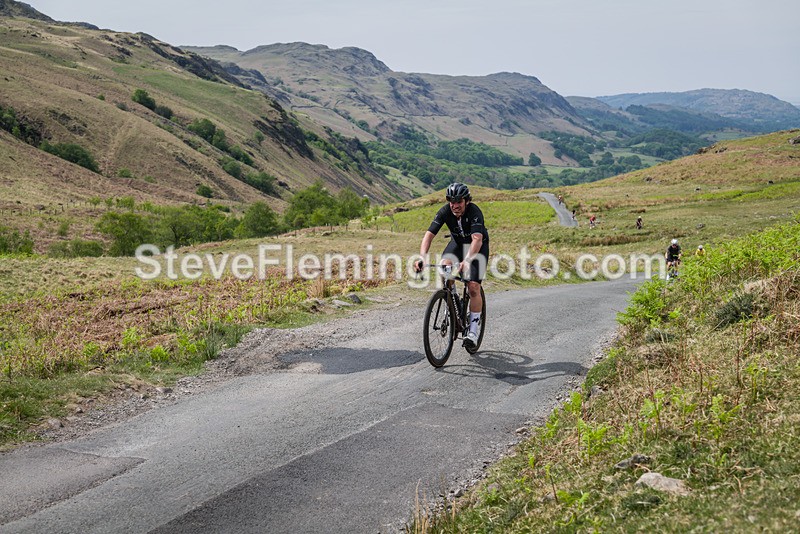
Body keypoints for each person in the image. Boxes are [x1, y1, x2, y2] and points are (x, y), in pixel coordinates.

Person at [414, 183, 489, 349]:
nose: (455, 205)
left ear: (466, 201)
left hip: (477, 247)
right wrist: (422, 257)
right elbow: (429, 235)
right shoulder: (445, 211)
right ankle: (453, 298)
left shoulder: (474, 212)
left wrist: (467, 261)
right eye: (451, 201)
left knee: (473, 287)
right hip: (457, 244)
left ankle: (473, 332)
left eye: (459, 201)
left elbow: (477, 239)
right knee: (444, 266)